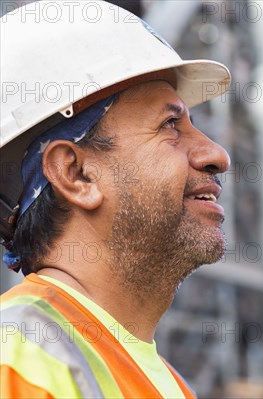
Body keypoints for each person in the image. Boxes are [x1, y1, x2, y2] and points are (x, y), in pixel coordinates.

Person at [0, 1, 231, 397]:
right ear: (76, 174)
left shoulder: (172, 386)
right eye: (170, 125)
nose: (217, 155)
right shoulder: (18, 358)